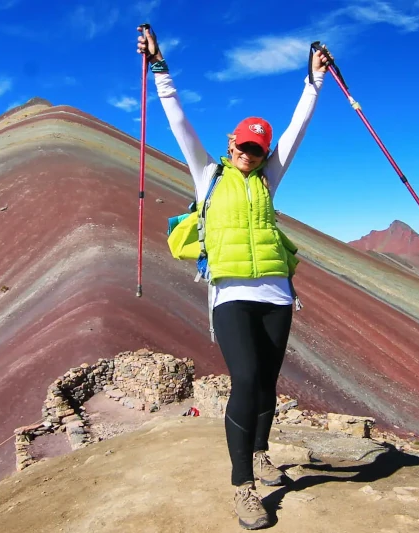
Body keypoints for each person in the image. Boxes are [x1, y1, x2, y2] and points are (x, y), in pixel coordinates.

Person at [137, 25, 330, 530]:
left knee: (267, 380)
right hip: (230, 294)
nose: (250, 154)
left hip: (277, 293)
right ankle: (243, 485)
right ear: (231, 144)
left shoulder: (269, 178)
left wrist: (313, 82)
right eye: (243, 147)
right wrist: (160, 68)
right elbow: (178, 121)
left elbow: (297, 130)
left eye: (257, 150)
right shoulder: (209, 174)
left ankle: (262, 452)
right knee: (244, 379)